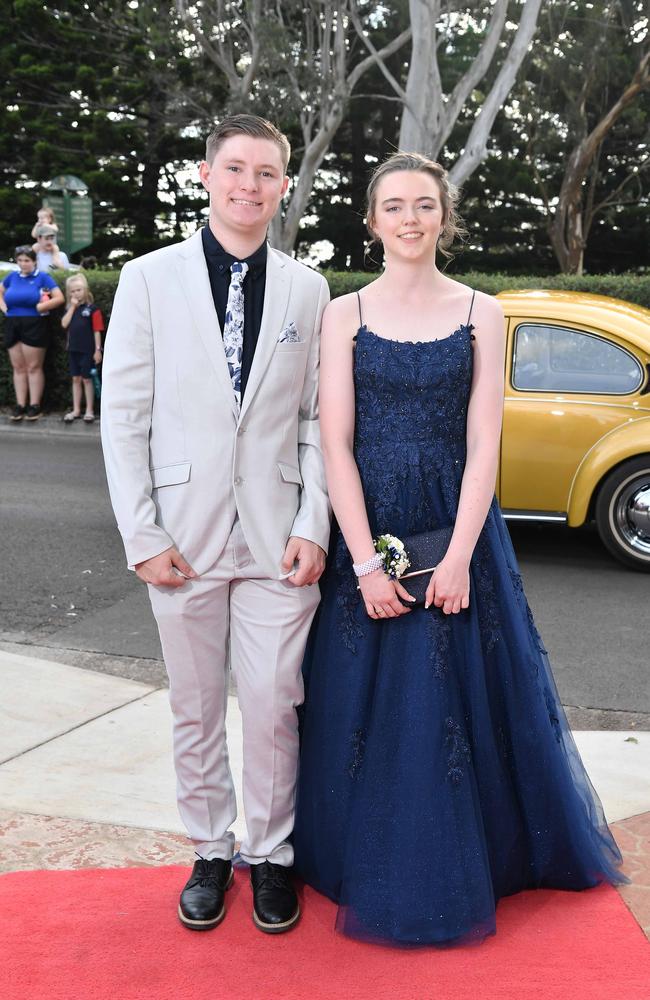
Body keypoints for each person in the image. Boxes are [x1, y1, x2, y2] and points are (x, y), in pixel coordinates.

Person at [292, 152, 625, 947]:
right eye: (395, 206)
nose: (410, 219)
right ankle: (355, 855)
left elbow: (485, 447)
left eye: (425, 205)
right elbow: (334, 444)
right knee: (367, 703)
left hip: (461, 529)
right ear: (371, 221)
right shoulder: (345, 313)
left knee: (457, 702)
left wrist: (460, 558)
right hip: (369, 531)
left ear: (444, 217)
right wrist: (366, 563)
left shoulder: (484, 310)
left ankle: (485, 859)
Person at [101, 114, 330, 935]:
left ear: (283, 185)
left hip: (278, 536)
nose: (249, 186)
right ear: (206, 175)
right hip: (182, 538)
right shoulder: (148, 279)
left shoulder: (309, 289)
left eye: (267, 173)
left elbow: (316, 421)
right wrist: (143, 533)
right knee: (196, 705)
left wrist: (315, 522)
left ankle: (271, 856)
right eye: (235, 169)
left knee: (273, 700)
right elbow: (124, 417)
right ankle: (209, 849)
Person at [0, 245, 64, 421]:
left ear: (34, 261)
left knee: (33, 367)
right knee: (18, 367)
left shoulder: (42, 277)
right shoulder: (12, 277)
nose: (23, 264)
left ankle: (34, 405)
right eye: (20, 260)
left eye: (27, 260)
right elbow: (1, 292)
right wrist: (5, 309)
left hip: (35, 324)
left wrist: (41, 306)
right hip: (13, 323)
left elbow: (59, 297)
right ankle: (20, 405)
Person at [61, 273, 104, 423]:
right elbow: (64, 324)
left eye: (78, 290)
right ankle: (76, 409)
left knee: (87, 379)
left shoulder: (93, 309)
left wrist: (98, 350)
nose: (75, 293)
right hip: (73, 350)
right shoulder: (70, 309)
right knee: (76, 379)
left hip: (88, 350)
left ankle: (90, 410)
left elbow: (97, 331)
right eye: (72, 291)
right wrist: (72, 307)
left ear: (85, 290)